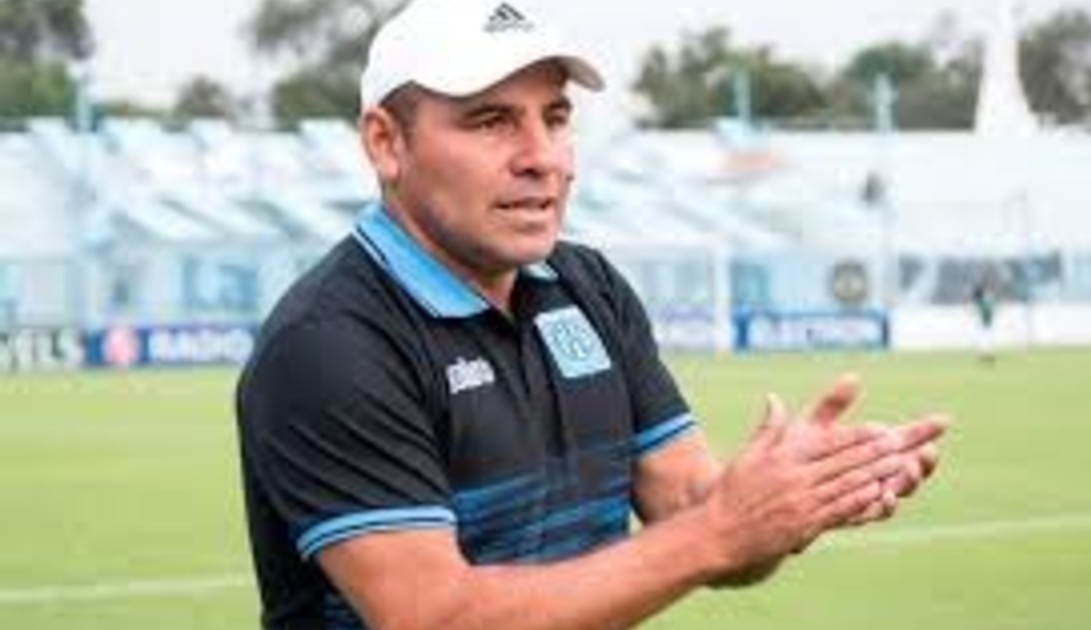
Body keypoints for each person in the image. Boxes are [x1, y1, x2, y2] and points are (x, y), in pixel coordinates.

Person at [235, 1, 948, 628]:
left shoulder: (588, 288)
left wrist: (790, 497)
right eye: (491, 121)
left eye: (555, 117)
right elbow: (434, 618)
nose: (542, 158)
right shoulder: (329, 343)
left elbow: (691, 507)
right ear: (386, 143)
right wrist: (722, 530)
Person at [971, 275, 999, 364]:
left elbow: (990, 307)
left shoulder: (982, 301)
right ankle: (986, 354)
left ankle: (984, 354)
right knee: (986, 337)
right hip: (985, 320)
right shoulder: (984, 301)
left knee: (983, 337)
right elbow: (989, 309)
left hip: (985, 320)